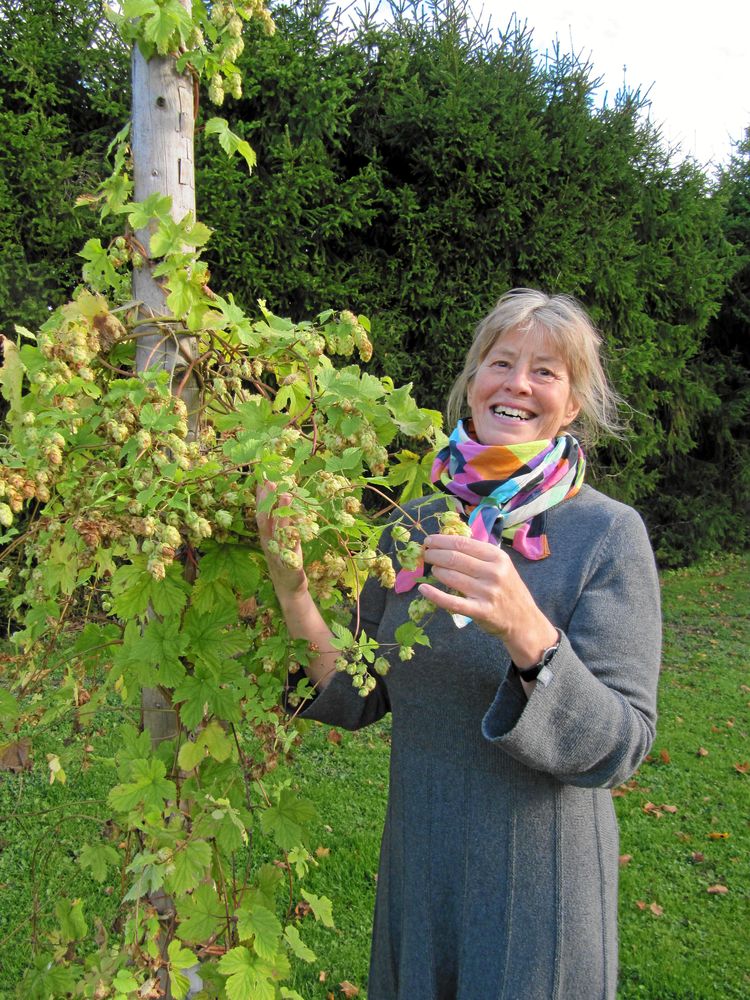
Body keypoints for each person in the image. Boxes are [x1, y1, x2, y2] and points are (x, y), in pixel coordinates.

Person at [257, 288, 661, 1000]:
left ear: (571, 406)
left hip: (538, 889)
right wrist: (293, 591)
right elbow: (356, 692)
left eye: (546, 372)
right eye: (500, 362)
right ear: (472, 384)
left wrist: (525, 629)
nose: (517, 384)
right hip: (423, 870)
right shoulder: (413, 525)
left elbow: (620, 746)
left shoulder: (607, 534)